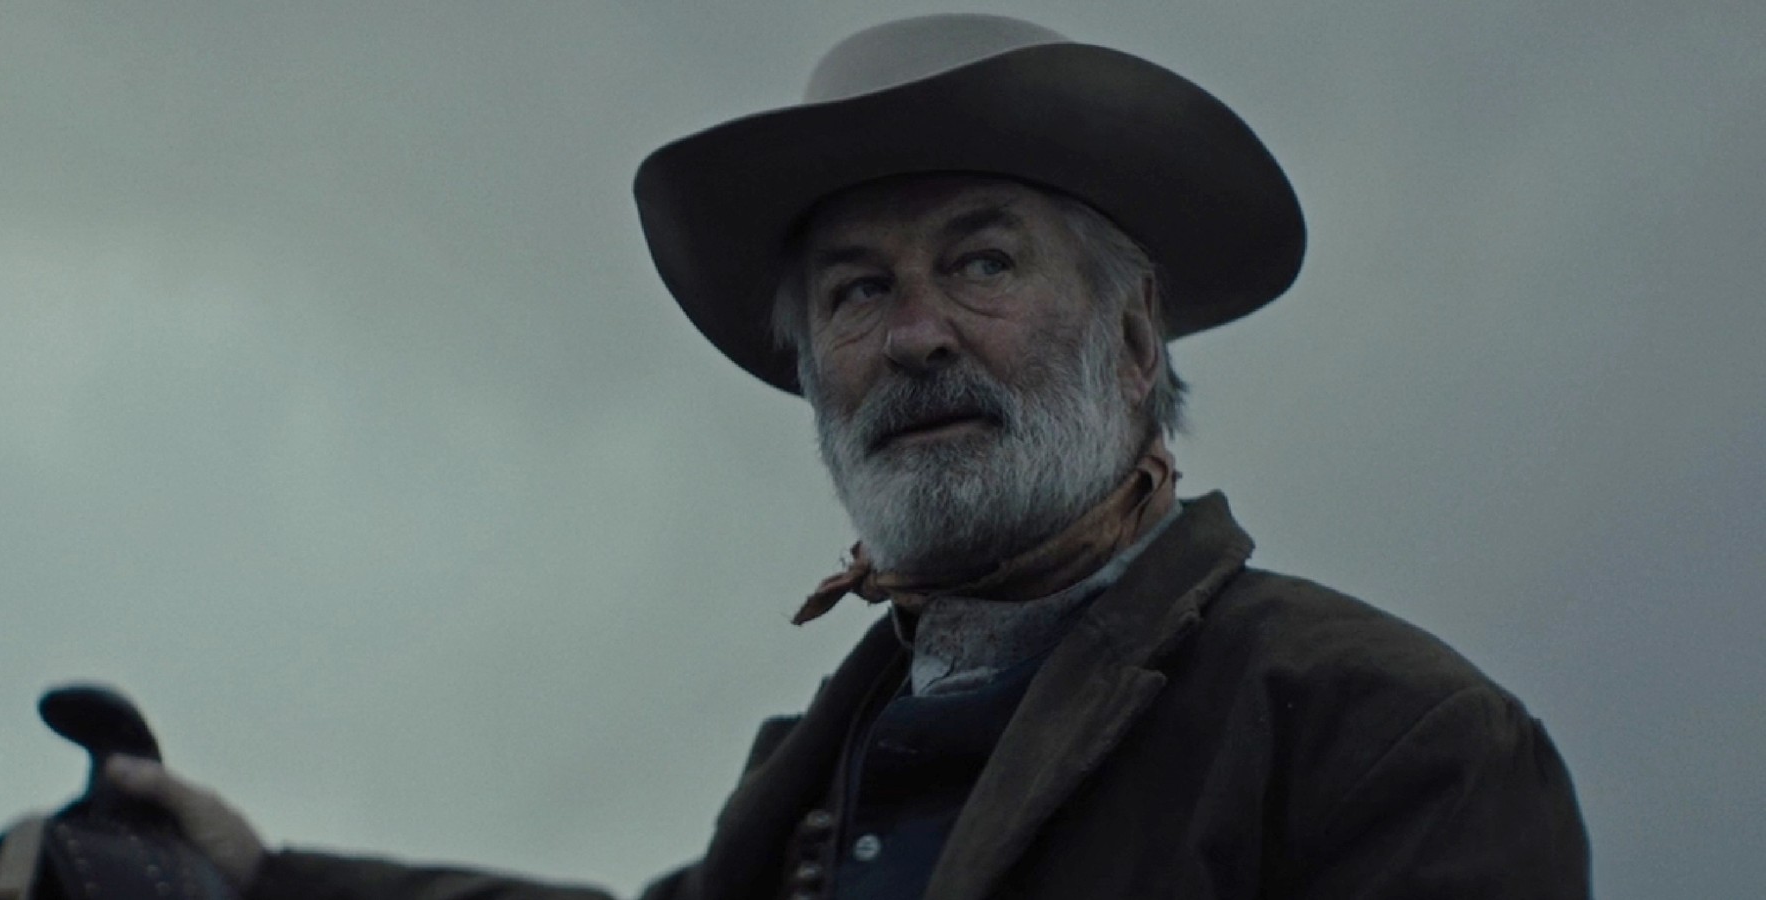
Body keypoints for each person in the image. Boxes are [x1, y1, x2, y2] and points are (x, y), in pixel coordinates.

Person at [95, 14, 1591, 900]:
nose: (918, 334)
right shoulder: (827, 776)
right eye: (857, 292)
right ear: (812, 372)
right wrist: (257, 878)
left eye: (982, 264)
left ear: (1136, 336)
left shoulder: (1386, 737)